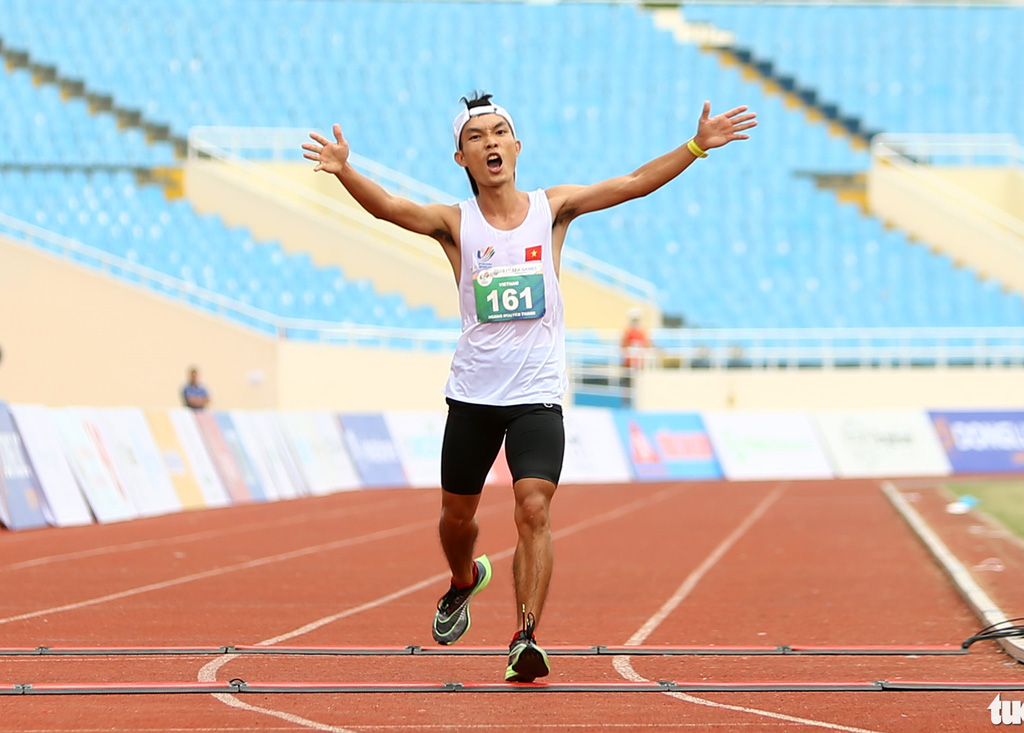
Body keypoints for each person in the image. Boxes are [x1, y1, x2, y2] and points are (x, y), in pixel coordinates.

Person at [302, 92, 756, 682]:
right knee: (455, 520)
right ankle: (464, 579)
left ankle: (525, 636)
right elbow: (389, 207)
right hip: (473, 397)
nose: (490, 142)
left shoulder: (554, 209)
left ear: (517, 147)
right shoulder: (454, 223)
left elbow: (635, 182)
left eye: (500, 132)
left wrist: (697, 146)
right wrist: (345, 172)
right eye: (477, 137)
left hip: (538, 397)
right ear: (461, 157)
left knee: (533, 507)